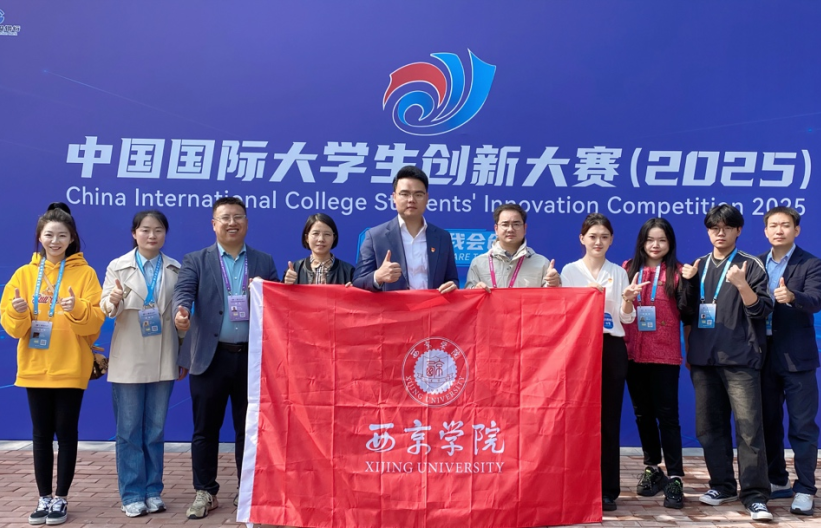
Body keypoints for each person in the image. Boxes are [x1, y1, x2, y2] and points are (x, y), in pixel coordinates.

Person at [172, 197, 279, 519]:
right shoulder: (196, 260)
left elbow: (277, 302)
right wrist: (181, 311)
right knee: (205, 429)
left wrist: (277, 288)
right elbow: (184, 291)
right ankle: (205, 491)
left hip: (252, 359)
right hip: (210, 358)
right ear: (214, 224)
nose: (232, 223)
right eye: (225, 218)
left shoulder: (263, 260)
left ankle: (248, 491)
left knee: (249, 429)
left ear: (246, 221)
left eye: (238, 217)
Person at [0, 203, 105, 526]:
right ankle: (43, 497)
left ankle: (61, 498)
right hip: (34, 367)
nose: (55, 241)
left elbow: (94, 324)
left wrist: (76, 308)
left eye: (62, 235)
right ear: (39, 237)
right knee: (41, 434)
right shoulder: (24, 274)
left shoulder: (85, 274)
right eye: (49, 235)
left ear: (72, 238)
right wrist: (18, 311)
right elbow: (12, 327)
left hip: (71, 366)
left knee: (67, 433)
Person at [681, 204, 774, 521]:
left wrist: (742, 285)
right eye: (714, 228)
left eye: (726, 227)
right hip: (704, 360)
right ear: (708, 231)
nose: (720, 233)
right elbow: (686, 312)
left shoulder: (751, 265)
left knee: (749, 430)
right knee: (709, 428)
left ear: (738, 230)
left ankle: (755, 495)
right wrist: (688, 283)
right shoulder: (699, 265)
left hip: (740, 359)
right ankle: (722, 486)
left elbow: (762, 310)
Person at [100, 210, 183, 518]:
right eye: (145, 229)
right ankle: (132, 493)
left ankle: (152, 490)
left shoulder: (175, 268)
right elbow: (106, 307)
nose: (152, 235)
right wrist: (114, 299)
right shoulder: (117, 266)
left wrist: (184, 350)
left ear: (165, 234)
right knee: (129, 430)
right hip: (129, 358)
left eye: (158, 230)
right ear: (134, 233)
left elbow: (182, 315)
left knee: (155, 430)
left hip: (163, 356)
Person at [559, 213, 642, 512]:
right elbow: (564, 313)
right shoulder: (569, 272)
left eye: (604, 237)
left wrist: (628, 300)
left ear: (611, 240)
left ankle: (607, 490)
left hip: (610, 347)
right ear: (582, 238)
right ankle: (576, 485)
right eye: (592, 236)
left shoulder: (618, 273)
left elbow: (626, 319)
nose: (598, 242)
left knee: (608, 420)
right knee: (577, 419)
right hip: (580, 349)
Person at [621, 218, 688, 509]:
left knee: (668, 417)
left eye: (662, 240)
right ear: (642, 242)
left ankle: (675, 476)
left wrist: (690, 282)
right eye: (650, 240)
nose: (656, 245)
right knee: (642, 415)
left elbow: (688, 312)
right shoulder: (627, 269)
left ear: (670, 243)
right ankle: (652, 468)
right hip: (632, 354)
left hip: (664, 355)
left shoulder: (679, 272)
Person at [759, 206, 821, 516]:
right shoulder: (755, 263)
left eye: (785, 225)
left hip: (798, 357)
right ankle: (777, 479)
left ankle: (806, 489)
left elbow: (816, 300)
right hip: (762, 355)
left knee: (802, 426)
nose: (779, 230)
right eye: (773, 225)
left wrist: (793, 296)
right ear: (765, 231)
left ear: (796, 230)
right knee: (768, 423)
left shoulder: (811, 263)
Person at [352, 166, 458, 293]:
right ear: (394, 197)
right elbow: (358, 282)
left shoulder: (442, 237)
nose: (411, 200)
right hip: (393, 306)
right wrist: (377, 277)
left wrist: (452, 285)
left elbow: (452, 279)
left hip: (433, 305)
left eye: (418, 194)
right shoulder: (375, 237)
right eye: (405, 194)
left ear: (427, 198)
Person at [465, 204, 560, 290]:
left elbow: (551, 299)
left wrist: (554, 284)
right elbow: (468, 298)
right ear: (496, 229)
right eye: (505, 224)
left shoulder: (542, 263)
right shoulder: (479, 263)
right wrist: (475, 290)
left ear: (525, 228)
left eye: (516, 224)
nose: (510, 229)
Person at [282, 213, 355, 285]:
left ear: (334, 238)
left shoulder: (349, 272)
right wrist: (286, 285)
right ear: (306, 238)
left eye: (327, 234)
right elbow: (281, 292)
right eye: (315, 233)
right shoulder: (294, 269)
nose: (321, 239)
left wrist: (352, 290)